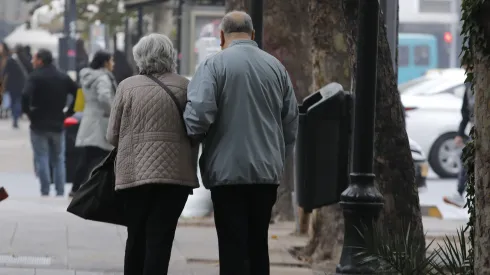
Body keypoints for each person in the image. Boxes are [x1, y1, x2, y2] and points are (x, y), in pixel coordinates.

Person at [184, 11, 299, 275]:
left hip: (227, 173)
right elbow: (291, 121)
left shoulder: (213, 66)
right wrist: (278, 158)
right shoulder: (276, 68)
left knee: (232, 245)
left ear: (221, 35)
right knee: (258, 243)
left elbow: (199, 116)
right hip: (265, 174)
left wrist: (192, 136)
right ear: (253, 35)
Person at [106, 33, 199, 275]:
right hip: (174, 177)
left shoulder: (126, 86)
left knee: (135, 235)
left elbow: (111, 135)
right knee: (161, 238)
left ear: (139, 57)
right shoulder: (185, 87)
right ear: (170, 56)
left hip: (134, 175)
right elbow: (196, 129)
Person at [21, 49, 78, 196]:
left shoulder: (34, 77)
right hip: (58, 122)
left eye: (34, 59)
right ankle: (60, 191)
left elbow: (25, 95)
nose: (32, 61)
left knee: (42, 157)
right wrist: (70, 111)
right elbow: (79, 91)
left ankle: (45, 190)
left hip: (38, 122)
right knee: (59, 159)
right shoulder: (63, 77)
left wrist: (28, 112)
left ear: (40, 60)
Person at [70, 51, 117, 197]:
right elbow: (104, 97)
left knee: (87, 157)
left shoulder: (88, 76)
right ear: (105, 62)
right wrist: (112, 111)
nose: (113, 63)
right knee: (106, 156)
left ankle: (77, 187)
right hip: (100, 122)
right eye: (111, 60)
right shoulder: (103, 78)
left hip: (89, 119)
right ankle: (100, 188)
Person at [443, 79, 474, 208]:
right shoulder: (469, 85)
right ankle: (460, 193)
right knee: (466, 158)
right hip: (476, 130)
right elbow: (465, 113)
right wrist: (460, 134)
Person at [1, 42, 26, 128]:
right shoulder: (22, 59)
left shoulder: (10, 60)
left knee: (13, 101)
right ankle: (16, 116)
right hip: (20, 84)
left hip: (12, 85)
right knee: (17, 101)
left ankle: (15, 118)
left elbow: (4, 72)